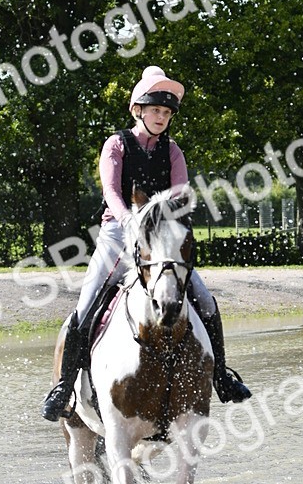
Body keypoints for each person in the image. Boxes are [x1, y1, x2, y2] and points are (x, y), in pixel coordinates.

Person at [41, 65, 252, 421]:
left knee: (204, 299)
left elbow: (180, 197)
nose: (161, 117)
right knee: (87, 302)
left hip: (161, 241)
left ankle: (221, 376)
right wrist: (129, 219)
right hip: (118, 235)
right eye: (155, 110)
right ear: (139, 110)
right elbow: (110, 190)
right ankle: (65, 386)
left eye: (167, 112)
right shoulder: (116, 144)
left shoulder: (173, 152)